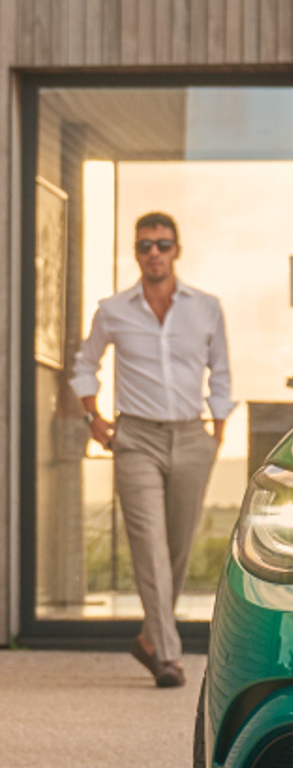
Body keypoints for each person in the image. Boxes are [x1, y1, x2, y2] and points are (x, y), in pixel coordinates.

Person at [71, 211, 233, 688]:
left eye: (162, 244)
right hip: (135, 439)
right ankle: (168, 655)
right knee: (149, 548)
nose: (154, 253)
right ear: (136, 253)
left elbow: (221, 372)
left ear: (176, 250)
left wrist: (216, 432)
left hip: (191, 437)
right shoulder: (113, 310)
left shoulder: (206, 308)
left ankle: (148, 638)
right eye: (145, 245)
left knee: (178, 548)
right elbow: (84, 364)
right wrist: (93, 417)